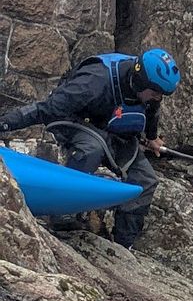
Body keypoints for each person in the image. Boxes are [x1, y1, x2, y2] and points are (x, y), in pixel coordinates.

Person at [0, 48, 179, 247]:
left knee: (146, 180)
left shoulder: (150, 91)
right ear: (139, 81)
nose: (158, 98)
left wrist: (152, 137)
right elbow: (45, 109)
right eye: (155, 93)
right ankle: (62, 213)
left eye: (161, 95)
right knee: (92, 148)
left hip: (113, 130)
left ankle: (124, 244)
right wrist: (5, 124)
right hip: (73, 122)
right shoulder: (93, 81)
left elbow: (152, 109)